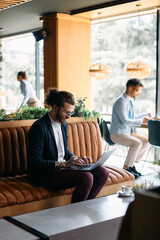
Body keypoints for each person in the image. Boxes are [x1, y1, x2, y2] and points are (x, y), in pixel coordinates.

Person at [28, 88, 109, 203]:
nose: (69, 116)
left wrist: (75, 159)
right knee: (87, 177)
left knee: (103, 173)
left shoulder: (63, 123)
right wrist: (64, 164)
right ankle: (75, 215)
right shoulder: (39, 128)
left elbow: (64, 150)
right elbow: (35, 163)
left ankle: (85, 206)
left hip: (63, 168)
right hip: (47, 174)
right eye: (67, 113)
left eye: (71, 113)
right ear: (55, 107)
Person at [110, 78, 152, 178]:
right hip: (117, 134)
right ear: (130, 88)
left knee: (147, 142)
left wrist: (143, 115)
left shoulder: (128, 101)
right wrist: (142, 121)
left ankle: (131, 164)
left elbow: (131, 117)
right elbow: (125, 121)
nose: (139, 93)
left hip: (126, 133)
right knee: (137, 143)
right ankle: (126, 167)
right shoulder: (121, 102)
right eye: (137, 90)